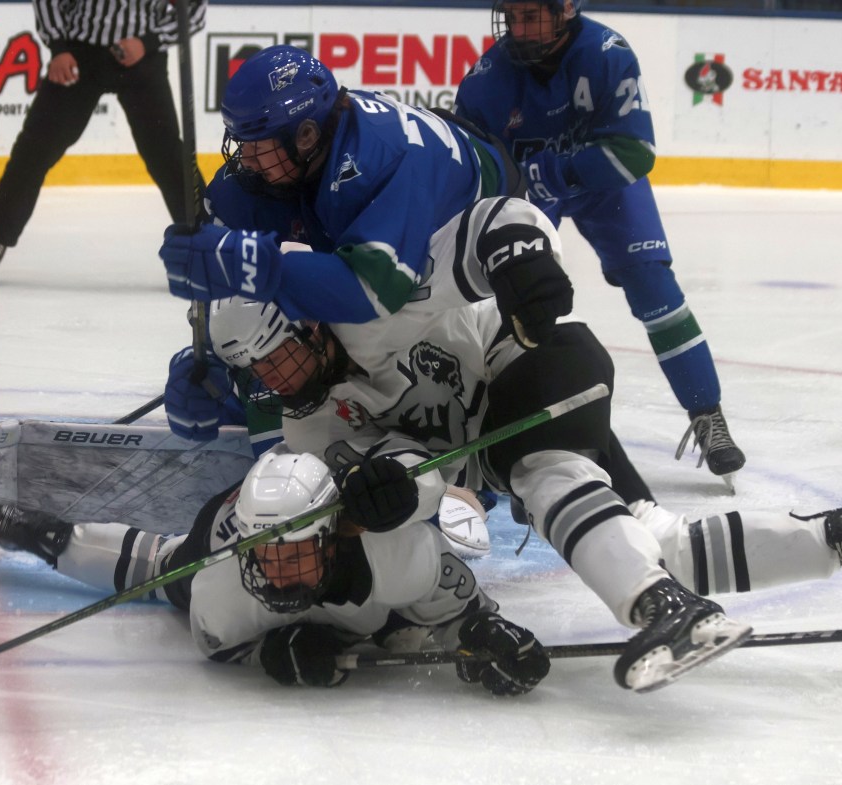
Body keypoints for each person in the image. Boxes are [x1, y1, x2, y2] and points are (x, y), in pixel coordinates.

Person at [157, 45, 752, 692]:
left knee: (563, 475)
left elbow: (420, 265)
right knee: (552, 483)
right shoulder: (313, 403)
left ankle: (658, 577)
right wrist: (213, 363)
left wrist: (518, 250)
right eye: (240, 142)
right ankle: (745, 561)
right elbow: (251, 325)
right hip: (442, 400)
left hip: (499, 341)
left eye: (259, 144)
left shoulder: (390, 175)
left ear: (305, 134)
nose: (245, 159)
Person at [205, 297, 842, 681]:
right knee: (656, 546)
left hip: (535, 363)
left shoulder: (371, 302)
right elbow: (413, 486)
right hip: (510, 441)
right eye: (258, 369)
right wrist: (396, 498)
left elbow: (473, 230)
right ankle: (827, 539)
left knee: (542, 475)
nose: (275, 380)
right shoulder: (310, 428)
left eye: (278, 357)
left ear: (308, 326)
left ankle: (662, 607)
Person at [0, 444, 551, 695]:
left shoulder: (403, 554)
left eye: (294, 553)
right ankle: (51, 536)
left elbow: (466, 614)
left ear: (330, 536)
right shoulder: (222, 586)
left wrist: (485, 636)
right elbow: (222, 646)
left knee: (403, 620)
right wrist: (274, 652)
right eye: (267, 555)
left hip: (360, 557)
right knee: (163, 569)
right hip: (216, 532)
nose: (277, 574)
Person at [453, 0, 745, 484]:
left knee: (654, 288)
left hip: (603, 185)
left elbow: (634, 152)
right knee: (508, 295)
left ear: (565, 10)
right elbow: (468, 165)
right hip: (532, 192)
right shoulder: (487, 79)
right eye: (514, 17)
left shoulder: (606, 53)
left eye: (532, 16)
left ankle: (707, 414)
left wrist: (554, 172)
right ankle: (494, 420)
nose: (519, 29)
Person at [0, 0, 206, 270]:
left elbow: (195, 11)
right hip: (80, 54)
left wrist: (149, 41)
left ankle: (208, 241)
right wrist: (59, 48)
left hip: (143, 58)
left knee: (167, 154)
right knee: (35, 147)